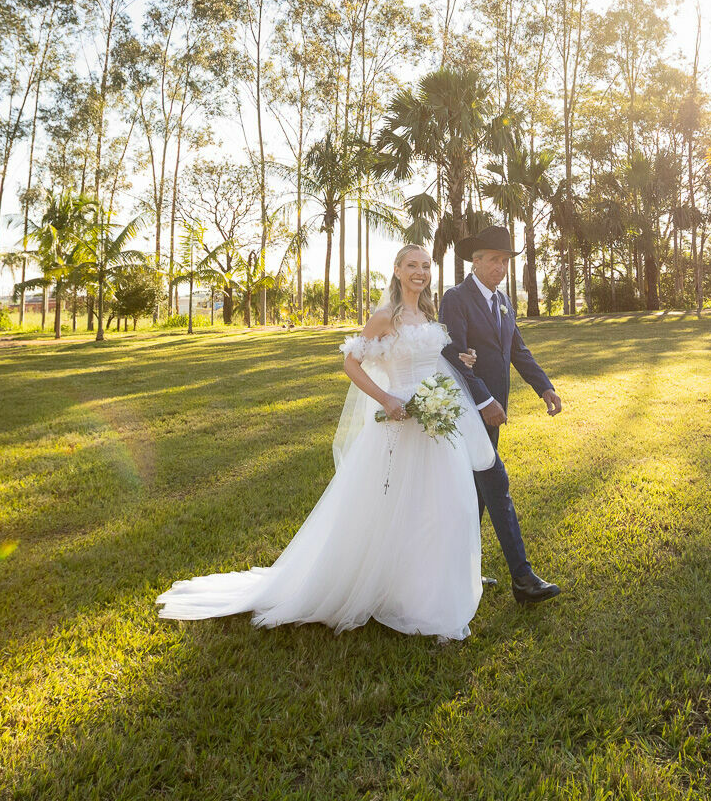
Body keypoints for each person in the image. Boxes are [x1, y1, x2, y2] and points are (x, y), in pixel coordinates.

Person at [156, 245, 493, 639]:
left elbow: (430, 361)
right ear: (398, 270)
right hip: (399, 428)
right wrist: (387, 398)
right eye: (412, 266)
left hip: (435, 425)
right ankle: (385, 590)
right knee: (391, 510)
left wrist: (459, 362)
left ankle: (425, 592)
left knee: (444, 508)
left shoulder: (428, 314)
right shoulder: (384, 318)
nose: (420, 272)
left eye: (425, 266)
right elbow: (351, 363)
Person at [438, 225, 566, 605]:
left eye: (505, 260)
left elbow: (519, 351)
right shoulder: (456, 298)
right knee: (496, 485)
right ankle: (523, 579)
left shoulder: (504, 301)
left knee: (477, 492)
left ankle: (462, 569)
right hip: (470, 409)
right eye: (493, 259)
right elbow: (453, 355)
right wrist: (482, 401)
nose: (500, 267)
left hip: (494, 412)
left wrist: (544, 386)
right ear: (475, 262)